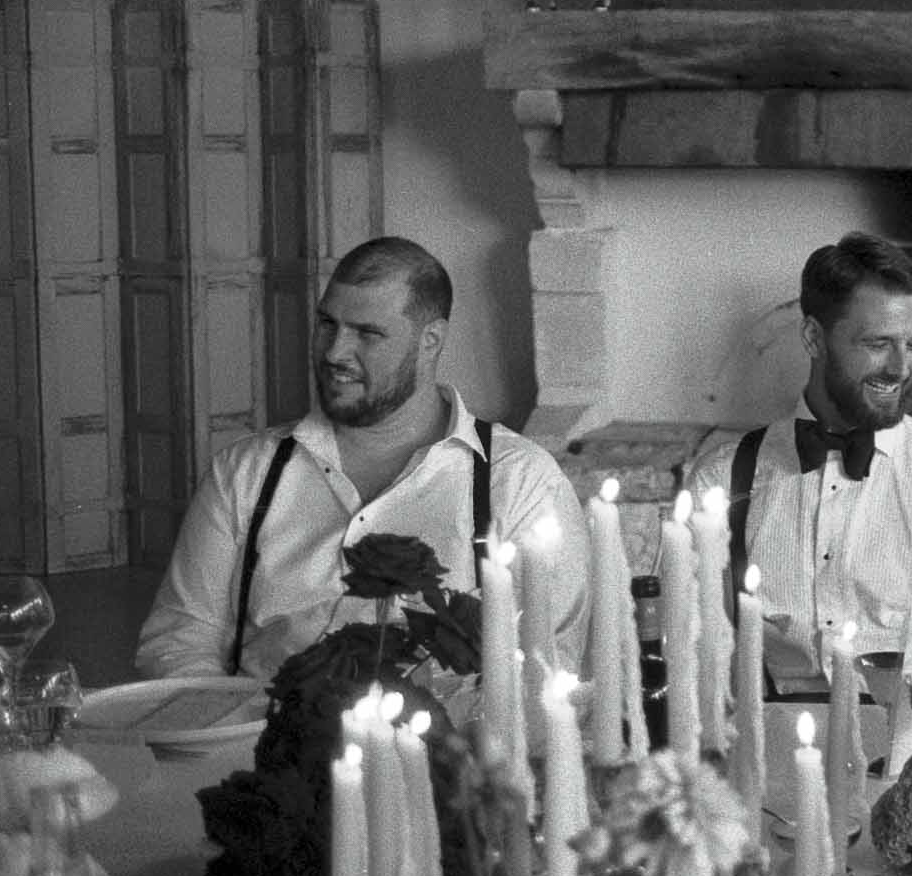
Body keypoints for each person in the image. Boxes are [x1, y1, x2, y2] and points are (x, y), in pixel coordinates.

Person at [136, 237, 588, 679]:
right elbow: (179, 641)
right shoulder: (245, 473)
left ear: (430, 340)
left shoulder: (519, 481)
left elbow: (549, 665)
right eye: (327, 324)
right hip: (260, 744)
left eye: (367, 333)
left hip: (450, 750)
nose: (335, 352)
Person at [686, 232, 912, 693]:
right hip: (764, 748)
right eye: (878, 343)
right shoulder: (719, 482)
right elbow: (685, 653)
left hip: (911, 759)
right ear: (814, 337)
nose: (901, 367)